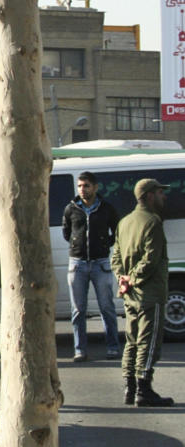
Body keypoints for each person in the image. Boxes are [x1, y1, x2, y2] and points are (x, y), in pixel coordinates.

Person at [112, 178, 174, 407]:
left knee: (131, 341)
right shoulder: (153, 222)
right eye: (160, 192)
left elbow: (115, 256)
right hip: (149, 292)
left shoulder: (125, 222)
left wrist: (122, 278)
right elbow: (151, 259)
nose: (163, 196)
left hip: (130, 294)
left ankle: (129, 388)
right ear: (149, 195)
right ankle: (144, 389)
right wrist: (134, 278)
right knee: (148, 342)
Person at [62, 171, 121, 362]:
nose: (82, 189)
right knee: (78, 309)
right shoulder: (71, 209)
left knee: (106, 307)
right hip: (77, 264)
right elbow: (67, 232)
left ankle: (113, 347)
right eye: (80, 186)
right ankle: (80, 349)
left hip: (100, 263)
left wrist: (106, 244)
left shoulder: (106, 208)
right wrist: (76, 244)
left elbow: (117, 230)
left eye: (86, 185)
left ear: (95, 187)